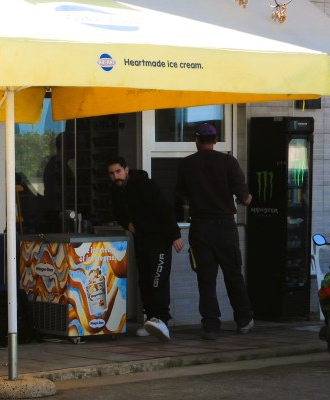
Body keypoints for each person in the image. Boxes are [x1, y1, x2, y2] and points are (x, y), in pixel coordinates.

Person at [175, 122, 254, 340]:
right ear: (216, 141)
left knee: (206, 278)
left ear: (196, 140)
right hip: (225, 227)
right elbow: (244, 197)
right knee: (233, 274)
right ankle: (244, 319)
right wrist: (247, 199)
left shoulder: (187, 164)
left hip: (200, 227)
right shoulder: (228, 162)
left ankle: (210, 325)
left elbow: (180, 196)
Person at [107, 156, 184, 341]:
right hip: (142, 241)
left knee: (158, 280)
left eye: (118, 171)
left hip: (160, 240)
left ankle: (162, 321)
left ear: (126, 170)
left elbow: (164, 209)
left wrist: (175, 235)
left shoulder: (145, 185)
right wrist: (128, 224)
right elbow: (117, 212)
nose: (116, 176)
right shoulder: (117, 191)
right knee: (146, 282)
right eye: (111, 173)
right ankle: (151, 320)